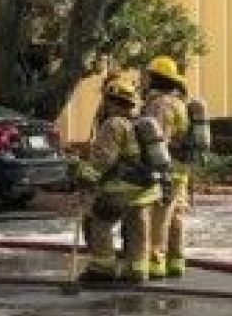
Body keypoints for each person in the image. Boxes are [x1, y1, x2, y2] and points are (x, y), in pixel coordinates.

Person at [73, 74, 163, 285]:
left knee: (99, 221)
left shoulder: (113, 125)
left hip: (121, 189)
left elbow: (103, 161)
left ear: (112, 102)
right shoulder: (142, 124)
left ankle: (102, 268)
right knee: (136, 230)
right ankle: (136, 270)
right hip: (147, 188)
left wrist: (84, 179)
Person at [142, 56, 193, 279]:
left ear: (156, 79)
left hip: (165, 169)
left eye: (148, 76)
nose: (144, 80)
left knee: (158, 217)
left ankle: (155, 262)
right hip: (181, 170)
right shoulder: (180, 102)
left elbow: (158, 139)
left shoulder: (161, 104)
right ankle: (176, 261)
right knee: (176, 217)